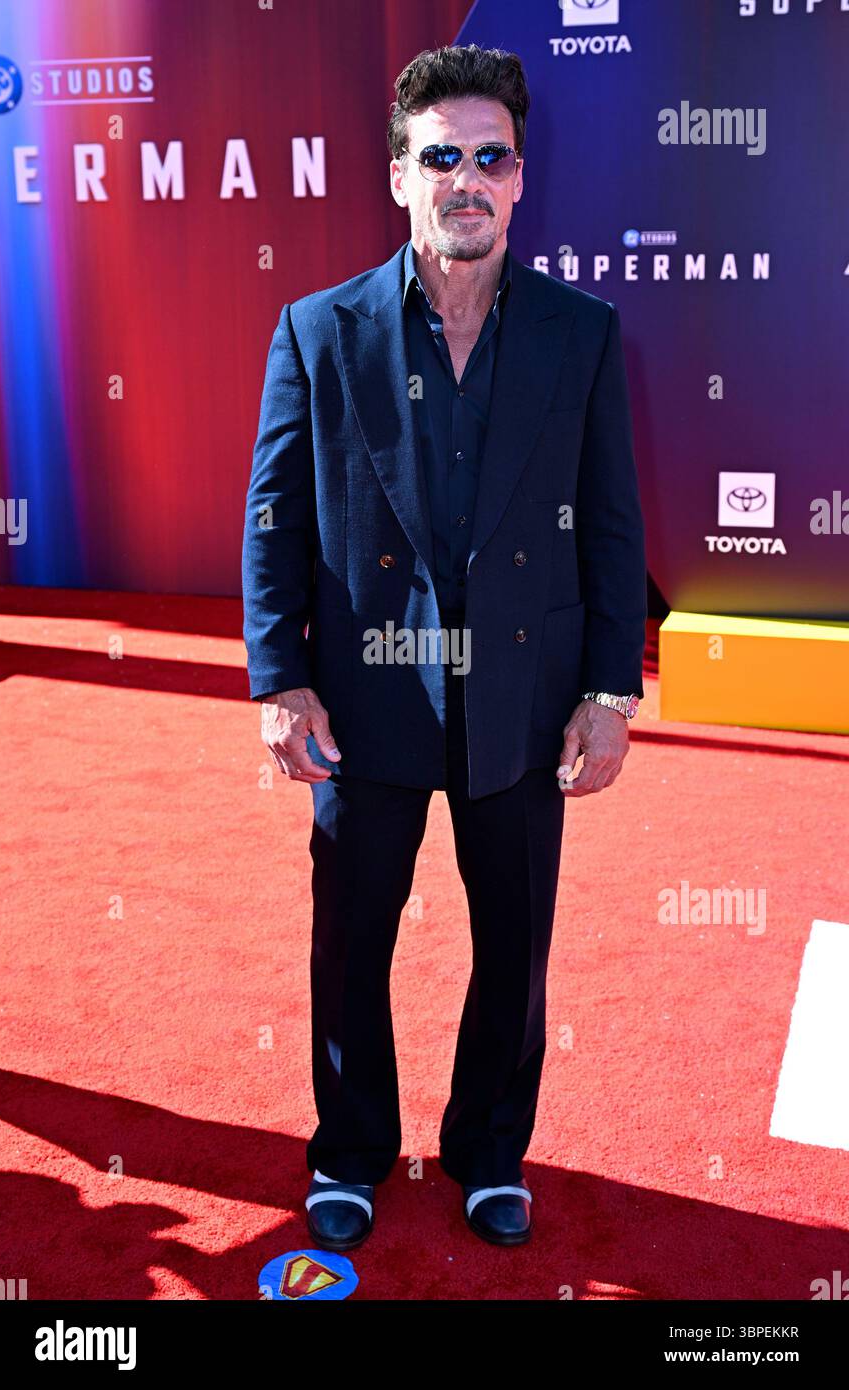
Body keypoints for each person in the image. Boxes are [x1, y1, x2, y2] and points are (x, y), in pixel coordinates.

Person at [241, 43, 647, 1250]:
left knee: (513, 948)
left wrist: (610, 689)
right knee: (350, 938)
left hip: (522, 698)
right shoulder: (317, 331)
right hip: (364, 699)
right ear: (398, 175)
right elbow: (272, 515)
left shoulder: (581, 333)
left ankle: (485, 1152)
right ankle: (353, 1151)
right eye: (442, 157)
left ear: (521, 178)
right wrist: (281, 677)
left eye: (491, 157)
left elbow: (612, 521)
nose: (466, 179)